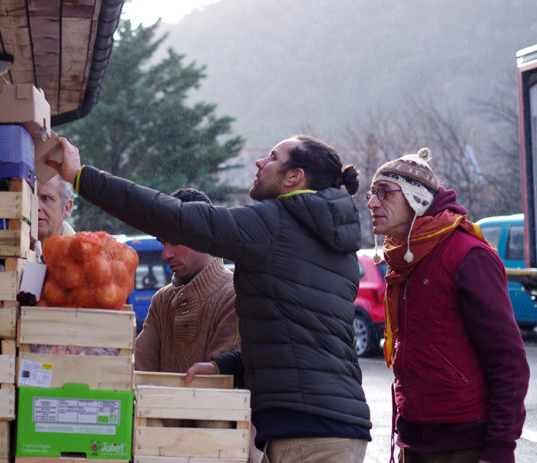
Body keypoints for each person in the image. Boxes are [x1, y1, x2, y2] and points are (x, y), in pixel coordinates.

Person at [47, 134, 372, 463]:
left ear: (294, 177)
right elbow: (302, 336)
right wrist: (224, 365)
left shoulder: (273, 225)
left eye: (272, 157)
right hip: (340, 424)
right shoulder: (336, 247)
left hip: (307, 431)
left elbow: (171, 215)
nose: (260, 163)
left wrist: (80, 176)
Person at [366, 148, 530, 463]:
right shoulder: (404, 260)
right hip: (415, 439)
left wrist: (499, 451)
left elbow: (508, 362)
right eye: (372, 195)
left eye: (384, 193)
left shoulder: (468, 255)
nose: (373, 203)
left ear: (416, 198)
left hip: (466, 442)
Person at [134, 187, 239, 373]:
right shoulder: (162, 301)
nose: (166, 254)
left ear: (206, 235)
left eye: (175, 241)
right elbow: (137, 371)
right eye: (162, 242)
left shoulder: (236, 296)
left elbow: (218, 386)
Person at [37, 174, 75, 241]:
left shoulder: (82, 251)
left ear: (67, 208)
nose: (37, 206)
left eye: (46, 198)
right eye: (30, 197)